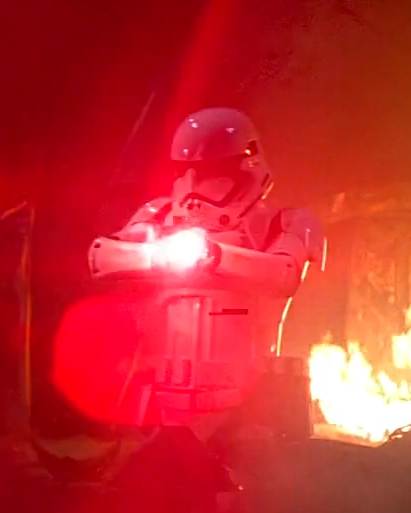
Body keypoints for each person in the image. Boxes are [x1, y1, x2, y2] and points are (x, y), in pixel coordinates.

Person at [87, 107, 323, 442]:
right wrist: (159, 255)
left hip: (248, 405)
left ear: (246, 164)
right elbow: (101, 256)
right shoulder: (159, 214)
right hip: (162, 400)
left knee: (251, 470)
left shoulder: (287, 222)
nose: (196, 186)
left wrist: (213, 256)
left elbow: (283, 274)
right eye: (189, 171)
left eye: (214, 172)